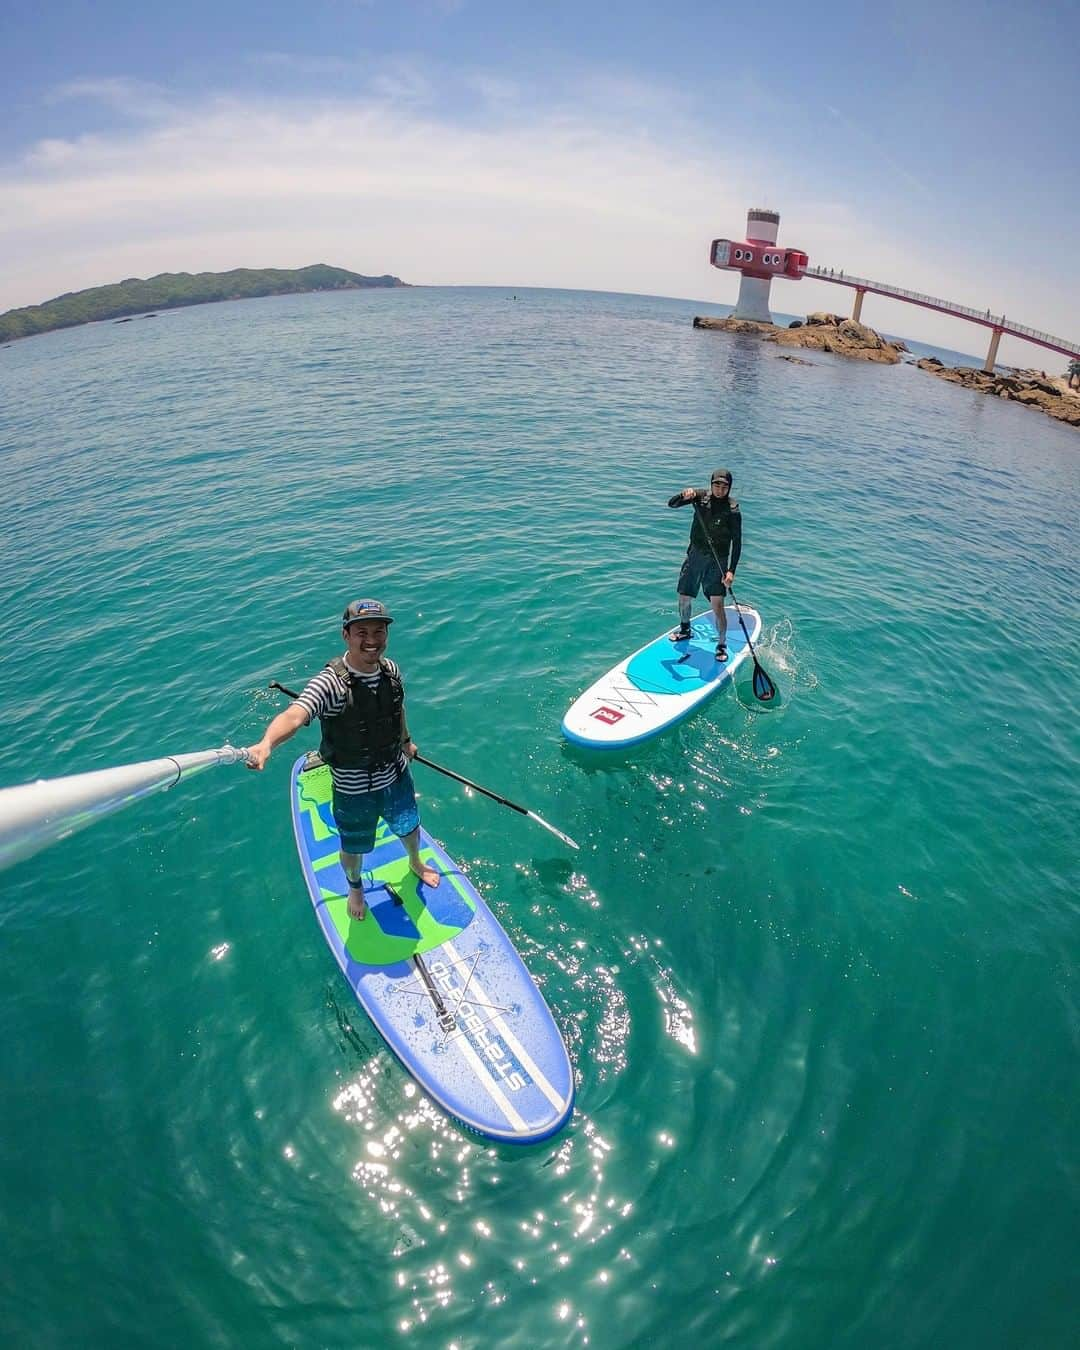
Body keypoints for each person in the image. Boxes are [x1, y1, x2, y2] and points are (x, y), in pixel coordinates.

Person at [247, 598, 438, 921]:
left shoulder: (390, 670)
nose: (372, 640)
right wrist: (266, 744)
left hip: (397, 775)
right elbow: (295, 715)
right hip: (354, 791)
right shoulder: (329, 683)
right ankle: (355, 887)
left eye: (379, 631)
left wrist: (406, 741)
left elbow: (397, 709)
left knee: (409, 827)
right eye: (362, 632)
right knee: (353, 848)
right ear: (345, 635)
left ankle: (415, 861)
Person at [667, 469, 742, 660]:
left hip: (718, 561)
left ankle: (722, 644)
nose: (719, 489)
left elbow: (737, 543)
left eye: (724, 486)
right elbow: (672, 504)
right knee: (684, 597)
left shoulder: (733, 510)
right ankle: (685, 629)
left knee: (717, 605)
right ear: (711, 484)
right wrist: (684, 494)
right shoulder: (700, 497)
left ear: (729, 487)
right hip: (695, 556)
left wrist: (731, 571)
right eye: (716, 485)